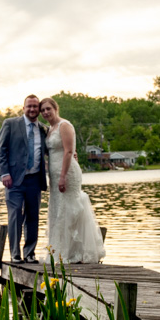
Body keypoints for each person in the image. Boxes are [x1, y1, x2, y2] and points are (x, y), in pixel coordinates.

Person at [39, 97, 105, 264]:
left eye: (48, 109)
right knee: (58, 211)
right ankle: (60, 251)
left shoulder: (64, 125)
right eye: (43, 110)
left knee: (70, 209)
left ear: (55, 108)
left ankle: (75, 252)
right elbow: (52, 151)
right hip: (53, 175)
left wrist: (63, 176)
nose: (45, 112)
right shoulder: (50, 129)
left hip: (67, 173)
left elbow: (68, 152)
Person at [0, 95, 47, 264]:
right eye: (29, 106)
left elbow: (51, 149)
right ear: (23, 107)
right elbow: (1, 150)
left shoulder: (43, 129)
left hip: (34, 180)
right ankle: (15, 253)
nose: (32, 109)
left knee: (33, 216)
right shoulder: (10, 124)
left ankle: (30, 253)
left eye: (35, 106)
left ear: (38, 109)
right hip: (14, 180)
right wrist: (4, 173)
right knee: (15, 215)